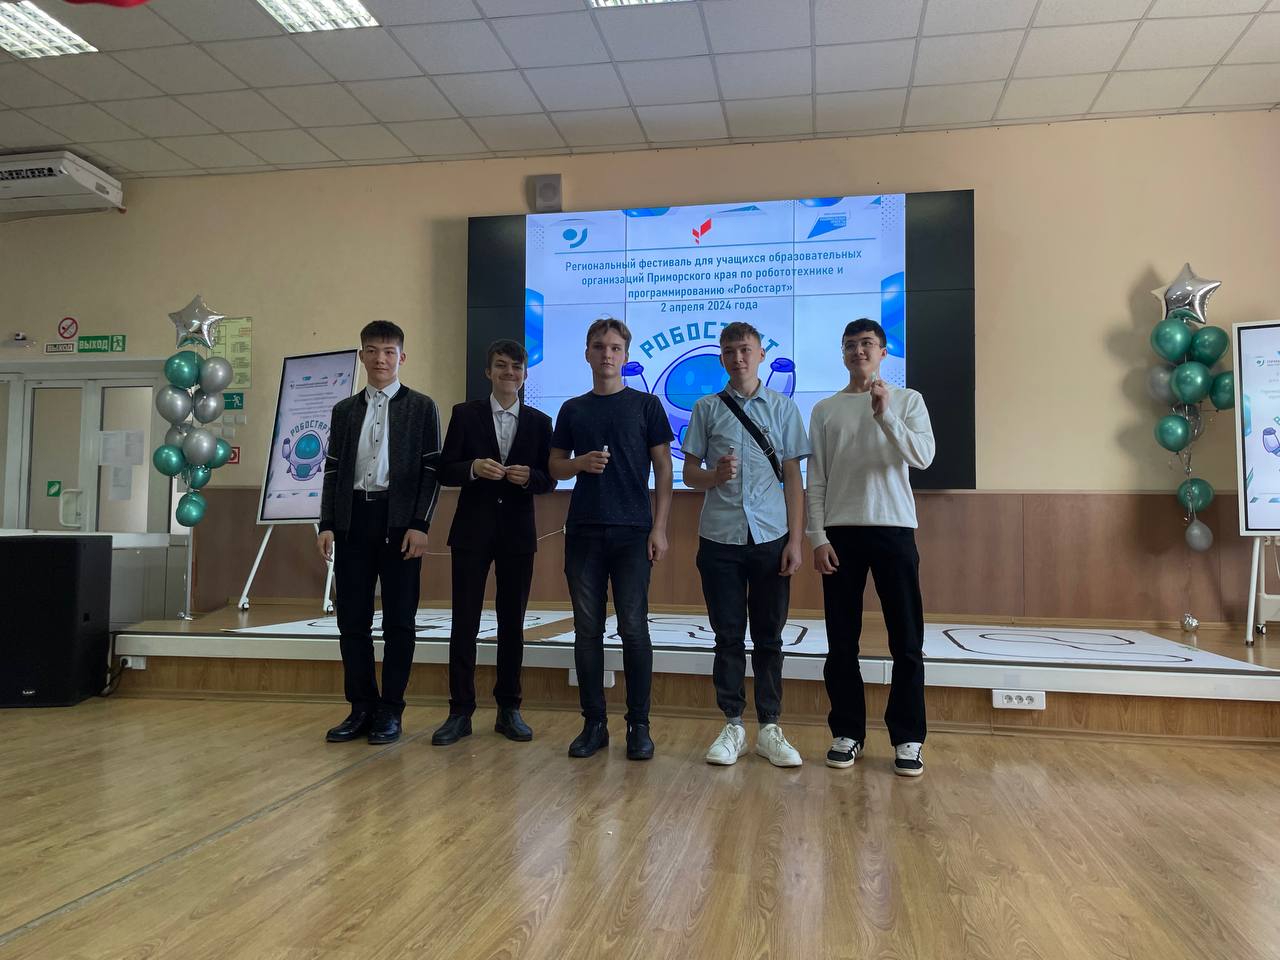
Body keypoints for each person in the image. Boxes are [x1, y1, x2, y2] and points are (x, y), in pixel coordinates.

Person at [807, 318, 935, 776]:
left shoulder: (907, 400)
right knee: (842, 642)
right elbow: (816, 478)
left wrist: (885, 415)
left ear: (882, 352)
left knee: (907, 641)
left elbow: (922, 457)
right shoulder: (825, 409)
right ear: (843, 354)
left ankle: (908, 737)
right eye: (850, 345)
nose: (858, 351)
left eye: (867, 344)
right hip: (840, 533)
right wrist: (817, 537)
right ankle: (847, 732)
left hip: (894, 529)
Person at [681, 322, 810, 768]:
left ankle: (770, 727)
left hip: (772, 537)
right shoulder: (706, 408)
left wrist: (796, 541)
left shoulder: (783, 408)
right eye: (730, 351)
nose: (738, 358)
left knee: (770, 638)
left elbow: (793, 478)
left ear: (760, 355)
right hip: (719, 538)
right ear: (721, 358)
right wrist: (712, 476)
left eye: (746, 350)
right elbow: (689, 474)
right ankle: (733, 724)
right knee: (728, 636)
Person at [550, 316, 673, 761]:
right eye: (599, 346)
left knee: (634, 629)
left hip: (633, 533)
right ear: (587, 353)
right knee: (587, 631)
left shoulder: (647, 405)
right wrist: (578, 464)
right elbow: (554, 466)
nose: (607, 354)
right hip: (583, 532)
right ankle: (594, 724)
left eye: (615, 347)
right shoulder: (573, 409)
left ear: (626, 355)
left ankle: (639, 725)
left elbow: (664, 468)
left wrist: (660, 527)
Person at [317, 320, 441, 745]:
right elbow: (332, 470)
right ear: (362, 356)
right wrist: (327, 524)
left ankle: (391, 709)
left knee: (399, 621)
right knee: (352, 621)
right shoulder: (344, 410)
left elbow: (431, 471)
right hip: (353, 521)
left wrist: (420, 525)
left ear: (401, 357)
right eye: (372, 351)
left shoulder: (421, 406)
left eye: (389, 352)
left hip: (400, 523)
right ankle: (361, 707)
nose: (380, 359)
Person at [431, 339, 554, 746]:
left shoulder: (540, 422)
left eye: (516, 367)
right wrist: (472, 468)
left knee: (512, 623)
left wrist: (530, 477)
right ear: (488, 372)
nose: (509, 373)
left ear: (525, 374)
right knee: (464, 621)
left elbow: (549, 480)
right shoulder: (464, 414)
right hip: (472, 532)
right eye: (501, 365)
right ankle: (459, 711)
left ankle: (509, 708)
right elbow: (445, 470)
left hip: (517, 534)